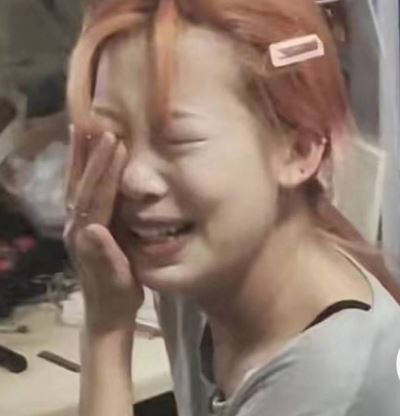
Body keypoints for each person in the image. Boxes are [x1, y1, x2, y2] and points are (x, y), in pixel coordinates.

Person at [63, 0, 400, 415]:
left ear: (299, 149)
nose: (134, 179)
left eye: (178, 140)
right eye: (112, 137)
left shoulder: (332, 379)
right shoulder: (205, 268)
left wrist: (106, 328)